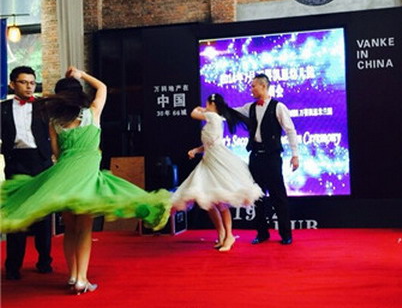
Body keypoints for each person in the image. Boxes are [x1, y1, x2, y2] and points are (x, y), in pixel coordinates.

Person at [0, 66, 171, 295]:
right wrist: (81, 74)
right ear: (79, 94)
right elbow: (102, 87)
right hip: (87, 178)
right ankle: (81, 280)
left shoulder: (55, 123)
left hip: (63, 177)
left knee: (70, 229)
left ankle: (72, 276)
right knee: (84, 230)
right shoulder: (93, 113)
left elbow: (56, 154)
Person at [171, 93, 263, 252]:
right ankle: (221, 233)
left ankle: (229, 235)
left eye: (207, 103)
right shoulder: (214, 119)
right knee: (207, 199)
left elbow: (193, 113)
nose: (205, 106)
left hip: (217, 162)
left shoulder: (213, 116)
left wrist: (200, 109)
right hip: (208, 161)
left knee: (220, 201)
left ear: (212, 104)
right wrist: (196, 150)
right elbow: (210, 144)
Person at [1, 66, 53, 280]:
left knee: (43, 215)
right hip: (16, 163)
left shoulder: (43, 106)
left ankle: (44, 261)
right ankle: (13, 266)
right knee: (17, 216)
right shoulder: (3, 108)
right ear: (12, 84)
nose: (29, 86)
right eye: (23, 82)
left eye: (32, 82)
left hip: (41, 163)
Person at [235, 74, 299, 245]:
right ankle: (262, 233)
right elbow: (232, 112)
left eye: (253, 86)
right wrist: (214, 109)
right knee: (257, 197)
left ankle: (286, 234)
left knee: (278, 196)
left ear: (263, 86)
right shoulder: (249, 107)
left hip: (272, 157)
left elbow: (290, 130)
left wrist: (295, 155)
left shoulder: (278, 107)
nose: (251, 89)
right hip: (255, 156)